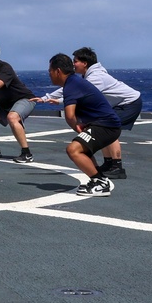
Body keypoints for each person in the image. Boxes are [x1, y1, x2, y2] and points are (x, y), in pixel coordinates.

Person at [34, 47, 141, 179]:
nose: (73, 64)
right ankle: (108, 163)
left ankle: (116, 166)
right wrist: (48, 98)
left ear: (85, 63)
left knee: (108, 129)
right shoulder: (84, 78)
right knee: (103, 130)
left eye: (76, 61)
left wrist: (59, 101)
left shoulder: (96, 77)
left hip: (129, 103)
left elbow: (76, 94)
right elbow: (70, 90)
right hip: (119, 103)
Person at [46, 53, 121, 197]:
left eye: (50, 71)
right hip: (105, 124)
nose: (49, 74)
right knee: (84, 150)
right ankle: (99, 180)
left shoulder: (71, 85)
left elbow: (69, 115)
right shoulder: (74, 81)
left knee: (73, 150)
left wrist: (77, 127)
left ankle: (100, 183)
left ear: (58, 71)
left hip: (106, 125)